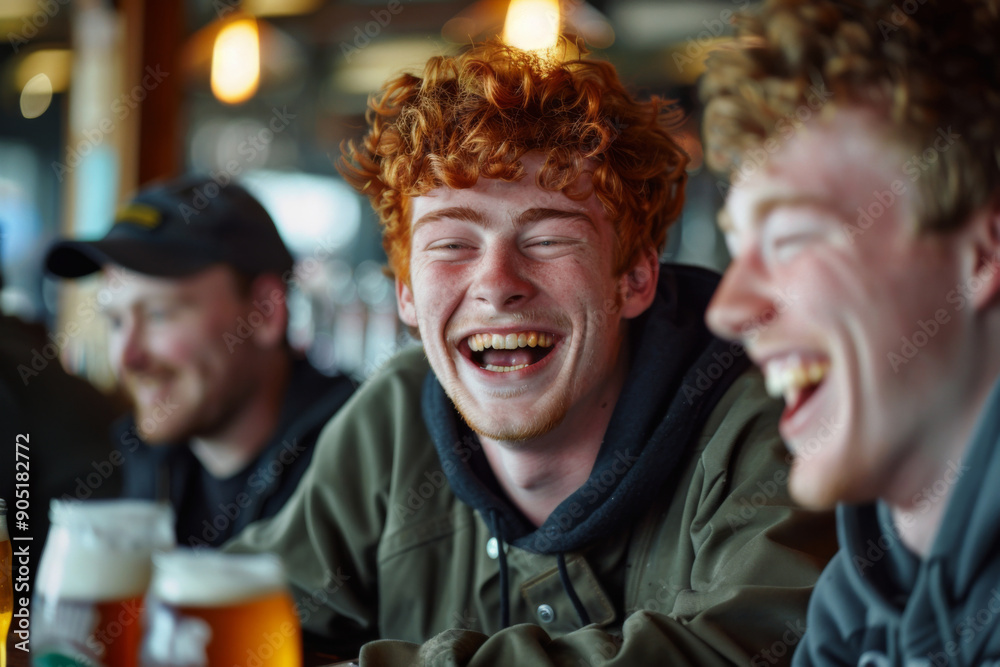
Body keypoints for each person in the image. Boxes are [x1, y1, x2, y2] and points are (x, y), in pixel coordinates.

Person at [225, 40, 836, 665]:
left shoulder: (763, 422)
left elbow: (753, 652)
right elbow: (236, 617)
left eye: (546, 239)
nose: (496, 284)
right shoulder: (398, 413)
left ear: (635, 279)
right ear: (406, 293)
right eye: (452, 245)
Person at [700, 0, 1000, 664]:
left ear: (981, 255)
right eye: (739, 246)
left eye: (791, 237)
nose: (728, 309)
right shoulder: (860, 589)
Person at [44, 176, 356, 548]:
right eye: (115, 321)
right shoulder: (138, 464)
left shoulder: (361, 465)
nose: (128, 356)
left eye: (159, 314)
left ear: (264, 313)